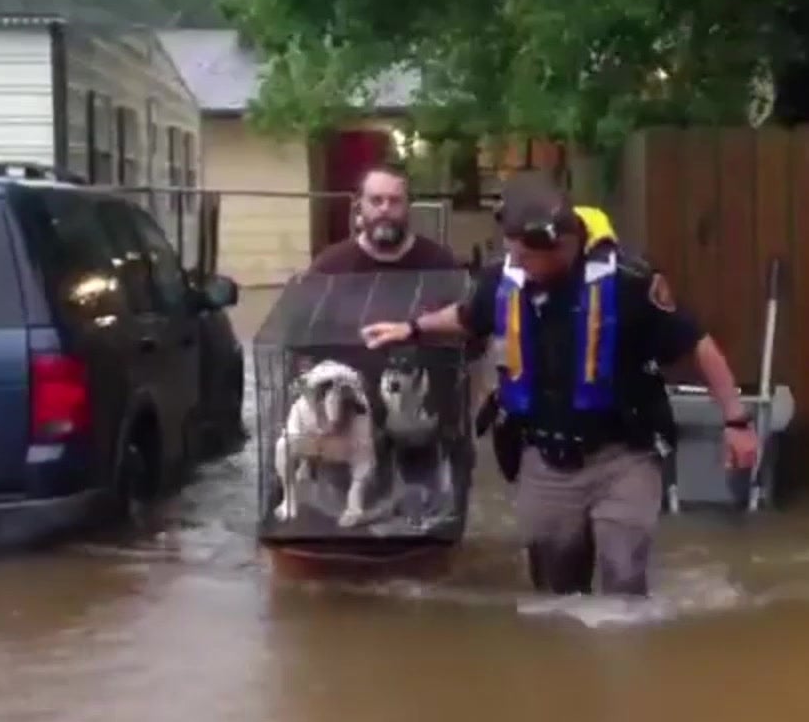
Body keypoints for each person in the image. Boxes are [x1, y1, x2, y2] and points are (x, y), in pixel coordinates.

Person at [360, 172, 759, 597]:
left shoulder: (629, 281)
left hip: (623, 453)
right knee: (556, 590)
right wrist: (411, 329)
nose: (521, 268)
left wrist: (736, 421)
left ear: (564, 246)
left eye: (529, 259)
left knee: (623, 576)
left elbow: (697, 345)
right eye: (514, 255)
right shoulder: (506, 277)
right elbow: (468, 316)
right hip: (544, 456)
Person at [307, 164, 459, 274]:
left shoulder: (439, 264)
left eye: (395, 200)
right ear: (359, 205)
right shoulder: (330, 266)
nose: (385, 209)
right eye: (376, 200)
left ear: (409, 205)